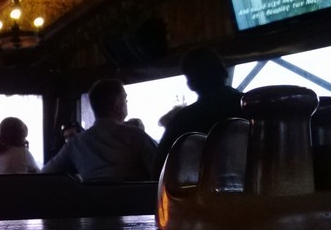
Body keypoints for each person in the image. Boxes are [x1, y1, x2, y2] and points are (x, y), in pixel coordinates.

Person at [42, 79, 158, 182]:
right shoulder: (137, 137)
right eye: (125, 99)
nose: (127, 103)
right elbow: (162, 171)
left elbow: (44, 175)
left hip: (92, 200)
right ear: (117, 105)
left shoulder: (76, 144)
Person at [153, 47, 245, 176]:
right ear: (224, 72)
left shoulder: (183, 120)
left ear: (191, 84)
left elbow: (159, 170)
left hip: (204, 188)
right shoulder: (253, 107)